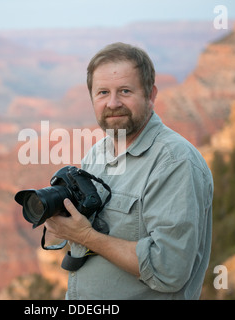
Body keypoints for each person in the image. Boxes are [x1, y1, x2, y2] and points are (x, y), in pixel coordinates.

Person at [45, 42, 213, 299]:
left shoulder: (174, 162)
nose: (113, 103)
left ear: (151, 94)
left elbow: (169, 269)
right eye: (102, 92)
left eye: (125, 91)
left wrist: (86, 236)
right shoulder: (97, 155)